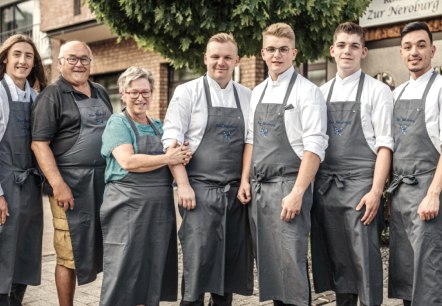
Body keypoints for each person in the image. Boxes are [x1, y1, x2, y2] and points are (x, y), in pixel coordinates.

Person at [238, 23, 328, 306]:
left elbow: (315, 146)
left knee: (292, 262)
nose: (277, 55)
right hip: (260, 189)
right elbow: (251, 139)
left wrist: (298, 192)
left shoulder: (308, 92)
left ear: (294, 53)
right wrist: (244, 179)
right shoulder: (258, 92)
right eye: (272, 49)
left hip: (290, 187)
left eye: (283, 50)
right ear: (263, 53)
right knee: (271, 265)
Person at [162, 33, 254, 305]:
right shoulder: (187, 92)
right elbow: (172, 142)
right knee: (197, 268)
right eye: (215, 56)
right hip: (199, 194)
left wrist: (246, 181)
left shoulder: (248, 96)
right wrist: (183, 185)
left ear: (237, 60)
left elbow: (250, 142)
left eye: (227, 57)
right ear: (205, 58)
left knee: (228, 272)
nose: (221, 62)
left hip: (236, 196)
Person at [310, 22, 393, 306]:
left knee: (365, 259)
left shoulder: (378, 92)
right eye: (342, 45)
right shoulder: (319, 94)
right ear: (332, 50)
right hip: (326, 188)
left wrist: (375, 191)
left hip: (361, 188)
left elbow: (384, 146)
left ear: (364, 52)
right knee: (338, 261)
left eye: (354, 46)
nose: (348, 51)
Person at [99, 66, 191, 306]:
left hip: (159, 208)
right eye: (134, 92)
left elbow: (174, 159)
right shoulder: (117, 123)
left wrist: (182, 154)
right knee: (124, 267)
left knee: (153, 267)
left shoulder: (159, 126)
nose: (140, 97)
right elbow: (128, 161)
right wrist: (167, 158)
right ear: (123, 93)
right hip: (126, 206)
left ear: (152, 93)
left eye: (145, 92)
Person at [31, 41, 112, 306]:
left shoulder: (100, 91)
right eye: (72, 59)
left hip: (103, 184)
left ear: (91, 62)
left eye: (84, 59)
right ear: (61, 62)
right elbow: (39, 143)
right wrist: (57, 184)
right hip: (70, 186)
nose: (79, 64)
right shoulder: (52, 95)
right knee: (69, 251)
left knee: (103, 247)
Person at [387, 21, 442, 306]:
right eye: (408, 47)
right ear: (401, 52)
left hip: (429, 192)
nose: (414, 52)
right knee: (406, 275)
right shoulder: (395, 95)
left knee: (430, 276)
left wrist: (433, 194)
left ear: (432, 50)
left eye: (421, 45)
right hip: (400, 196)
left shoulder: (441, 88)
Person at [0, 34, 46, 306]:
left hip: (30, 187)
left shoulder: (37, 98)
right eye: (17, 54)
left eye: (28, 56)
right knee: (3, 251)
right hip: (5, 184)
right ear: (5, 58)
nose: (22, 61)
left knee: (25, 250)